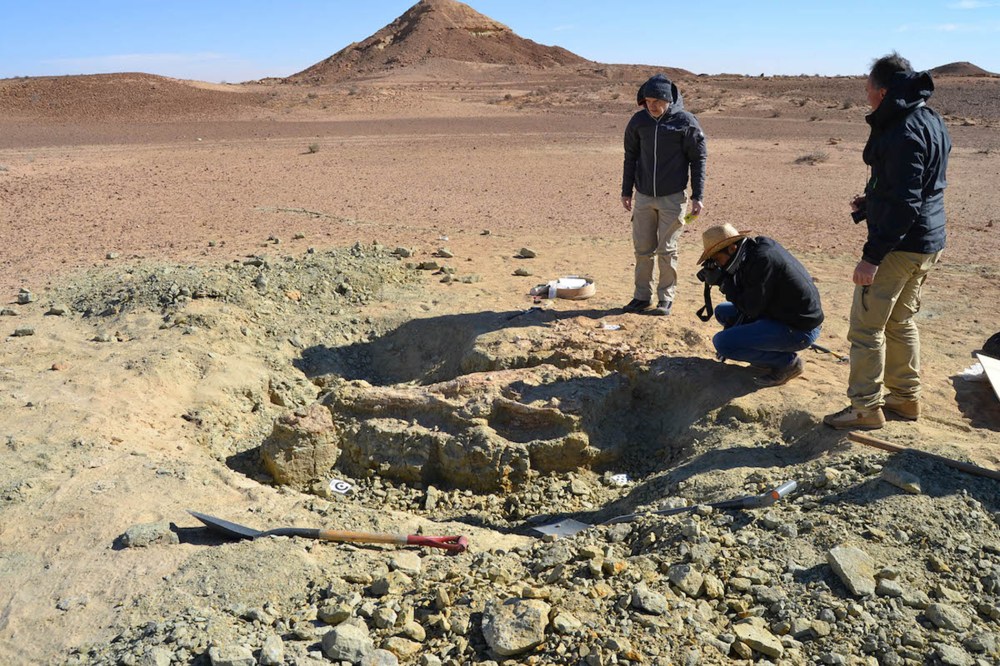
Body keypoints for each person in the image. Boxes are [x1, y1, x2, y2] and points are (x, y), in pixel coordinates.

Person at [824, 53, 951, 430]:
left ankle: (864, 408)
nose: (866, 97)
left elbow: (907, 202)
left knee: (866, 328)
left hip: (900, 246)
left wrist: (871, 257)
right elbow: (920, 186)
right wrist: (872, 201)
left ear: (881, 91)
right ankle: (905, 399)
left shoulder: (901, 130)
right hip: (929, 241)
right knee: (900, 321)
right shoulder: (930, 119)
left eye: (867, 90)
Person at [621, 73, 707, 316]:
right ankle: (641, 297)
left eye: (656, 101)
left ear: (668, 100)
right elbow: (630, 157)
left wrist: (697, 195)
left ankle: (665, 299)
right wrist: (626, 191)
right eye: (647, 101)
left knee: (667, 250)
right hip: (644, 196)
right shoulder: (639, 122)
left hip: (672, 197)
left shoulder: (686, 122)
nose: (652, 106)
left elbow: (698, 159)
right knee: (642, 250)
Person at [698, 223, 824, 387]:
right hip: (781, 315)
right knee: (722, 311)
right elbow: (751, 297)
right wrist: (723, 276)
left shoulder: (762, 261)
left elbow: (750, 308)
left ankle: (788, 364)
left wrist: (723, 281)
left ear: (731, 248)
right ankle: (764, 356)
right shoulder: (752, 251)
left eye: (716, 259)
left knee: (723, 343)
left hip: (800, 329)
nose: (718, 265)